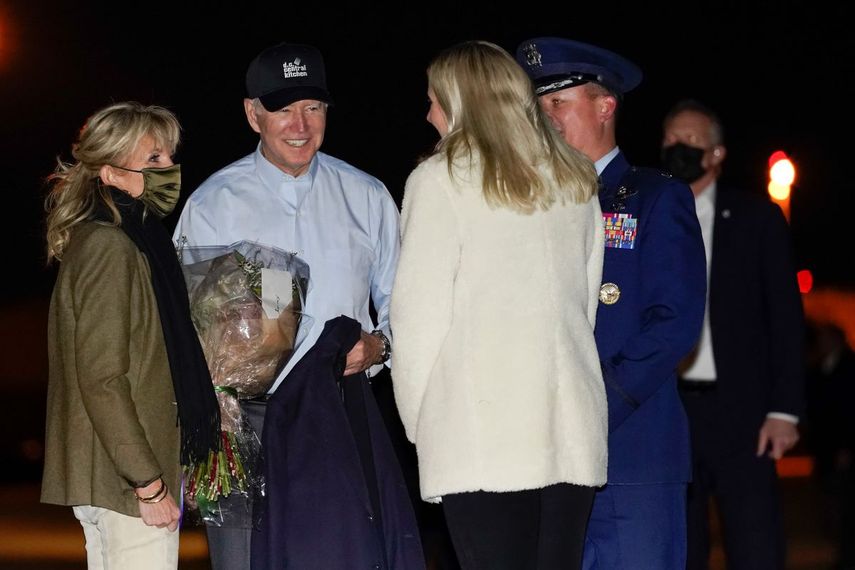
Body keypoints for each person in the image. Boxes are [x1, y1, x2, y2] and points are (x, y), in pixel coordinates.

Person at [171, 42, 412, 570]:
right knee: (241, 561)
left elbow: (405, 305)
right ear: (253, 114)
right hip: (239, 419)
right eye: (283, 109)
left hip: (340, 413)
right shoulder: (214, 203)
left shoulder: (368, 196)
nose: (300, 124)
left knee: (341, 557)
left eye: (313, 107)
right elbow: (182, 322)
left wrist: (379, 346)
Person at [391, 40, 607, 569]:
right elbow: (586, 307)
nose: (428, 113)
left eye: (434, 100)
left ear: (462, 103)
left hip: (480, 437)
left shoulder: (439, 181)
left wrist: (423, 426)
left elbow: (417, 323)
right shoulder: (577, 178)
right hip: (568, 431)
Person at [516, 37, 707, 569]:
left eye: (558, 102)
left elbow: (674, 322)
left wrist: (598, 403)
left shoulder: (656, 197)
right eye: (538, 106)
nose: (545, 117)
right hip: (546, 460)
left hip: (632, 453)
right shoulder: (531, 206)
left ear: (605, 106)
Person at [40, 101, 221, 570]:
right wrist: (149, 483)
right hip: (125, 483)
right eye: (153, 159)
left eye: (169, 157)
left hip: (116, 477)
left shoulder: (124, 241)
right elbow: (102, 377)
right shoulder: (111, 246)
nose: (169, 170)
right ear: (111, 173)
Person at [661, 98, 806, 569]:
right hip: (672, 410)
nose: (677, 148)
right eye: (670, 139)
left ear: (716, 153)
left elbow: (784, 317)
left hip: (742, 415)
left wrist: (784, 411)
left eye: (690, 141)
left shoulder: (756, 219)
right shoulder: (652, 214)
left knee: (755, 546)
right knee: (683, 548)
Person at [805, 320, 855, 568]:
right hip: (826, 447)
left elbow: (849, 410)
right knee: (831, 501)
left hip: (843, 449)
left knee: (844, 505)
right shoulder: (820, 367)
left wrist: (847, 446)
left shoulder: (849, 367)